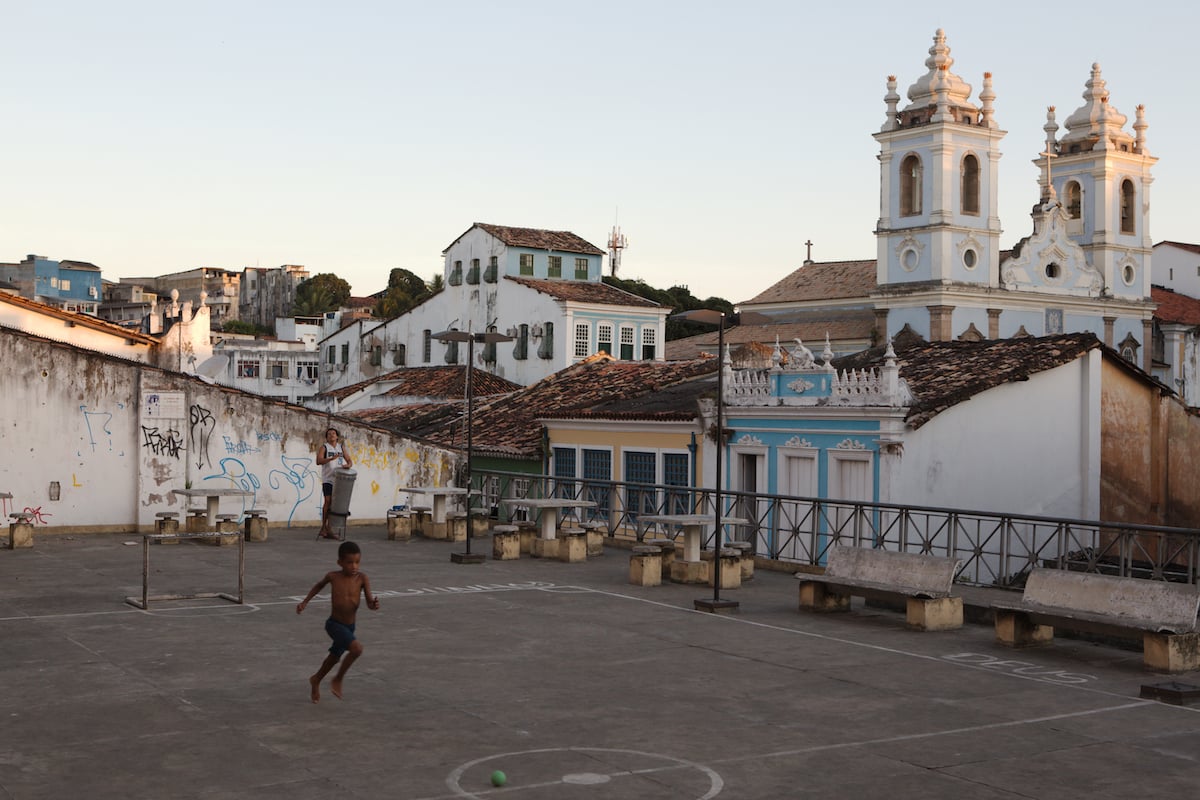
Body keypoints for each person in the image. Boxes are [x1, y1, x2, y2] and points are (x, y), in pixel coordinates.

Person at [296, 540, 380, 702]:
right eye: (349, 562)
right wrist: (305, 602)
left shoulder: (362, 579)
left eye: (357, 562)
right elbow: (318, 586)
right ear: (340, 562)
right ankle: (338, 678)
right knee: (356, 649)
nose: (354, 566)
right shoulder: (333, 577)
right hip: (334, 624)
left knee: (334, 657)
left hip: (350, 627)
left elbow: (369, 602)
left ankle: (316, 679)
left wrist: (373, 605)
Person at [316, 427, 353, 539]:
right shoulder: (324, 447)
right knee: (328, 501)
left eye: (333, 433)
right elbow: (318, 461)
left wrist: (348, 465)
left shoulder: (341, 447)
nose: (331, 435)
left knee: (335, 504)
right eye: (329, 434)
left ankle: (330, 528)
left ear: (337, 436)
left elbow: (349, 461)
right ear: (326, 437)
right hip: (328, 479)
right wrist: (331, 458)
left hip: (339, 480)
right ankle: (323, 527)